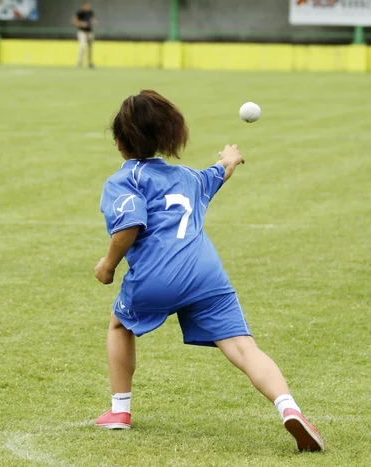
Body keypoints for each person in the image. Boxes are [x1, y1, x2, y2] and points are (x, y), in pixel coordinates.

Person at [93, 90, 324, 452]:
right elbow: (221, 172)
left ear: (119, 142)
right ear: (169, 137)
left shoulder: (126, 180)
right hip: (205, 275)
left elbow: (129, 225)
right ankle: (289, 408)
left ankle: (119, 411)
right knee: (243, 347)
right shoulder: (190, 178)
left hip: (157, 276)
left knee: (120, 324)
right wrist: (230, 157)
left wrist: (107, 266)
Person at [72, 2, 96, 69]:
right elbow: (74, 21)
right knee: (83, 46)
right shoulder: (80, 13)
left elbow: (93, 20)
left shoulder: (90, 12)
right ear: (83, 6)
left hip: (89, 32)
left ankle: (89, 62)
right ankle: (80, 62)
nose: (88, 7)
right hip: (82, 32)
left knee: (90, 48)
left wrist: (93, 22)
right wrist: (81, 23)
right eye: (86, 6)